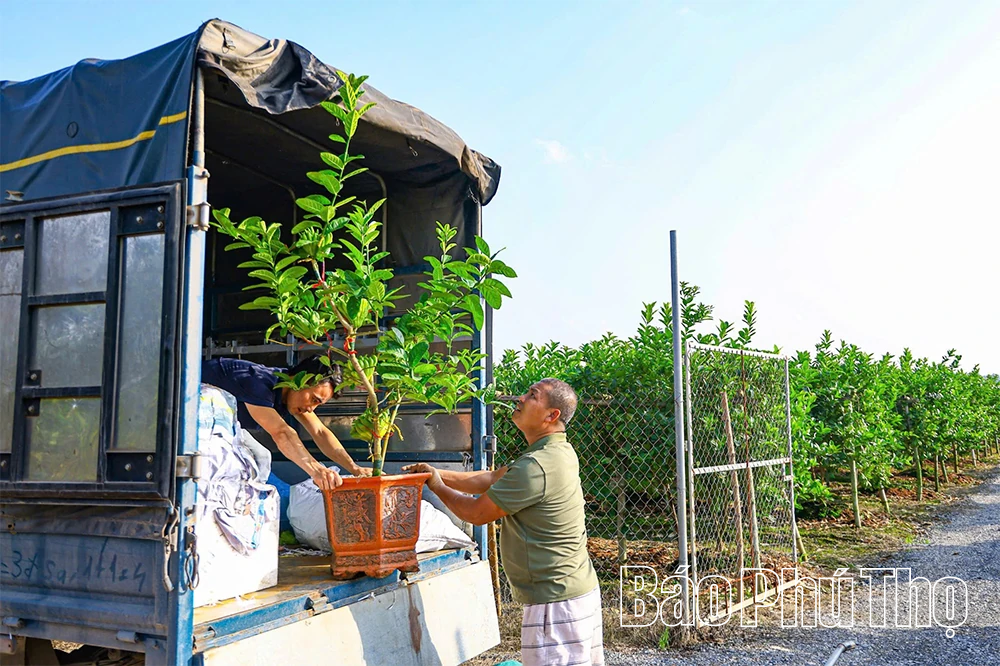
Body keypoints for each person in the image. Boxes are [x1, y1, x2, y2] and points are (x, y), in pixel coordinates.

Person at [404, 378, 604, 666]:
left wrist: (436, 486)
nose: (519, 399)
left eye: (532, 395)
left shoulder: (536, 466)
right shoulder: (556, 452)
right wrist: (433, 473)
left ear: (552, 415)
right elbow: (489, 479)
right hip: (573, 592)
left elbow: (476, 514)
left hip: (555, 604)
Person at [201, 355, 371, 490]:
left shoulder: (291, 392)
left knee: (261, 457)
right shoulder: (258, 382)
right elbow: (282, 432)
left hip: (220, 424)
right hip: (188, 412)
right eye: (313, 399)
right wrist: (317, 471)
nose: (311, 409)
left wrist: (355, 469)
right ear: (299, 379)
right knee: (256, 457)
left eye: (317, 403)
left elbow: (320, 432)